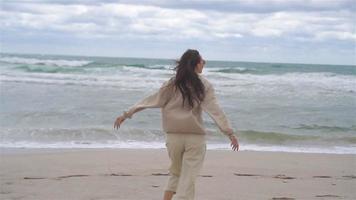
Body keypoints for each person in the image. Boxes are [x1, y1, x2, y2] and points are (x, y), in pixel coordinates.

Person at [114, 49, 239, 200]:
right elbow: (215, 111)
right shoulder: (204, 85)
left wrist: (126, 114)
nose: (204, 64)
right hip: (195, 139)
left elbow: (152, 100)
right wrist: (229, 133)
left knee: (176, 173)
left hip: (173, 138)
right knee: (187, 180)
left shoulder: (173, 83)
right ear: (196, 64)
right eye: (203, 61)